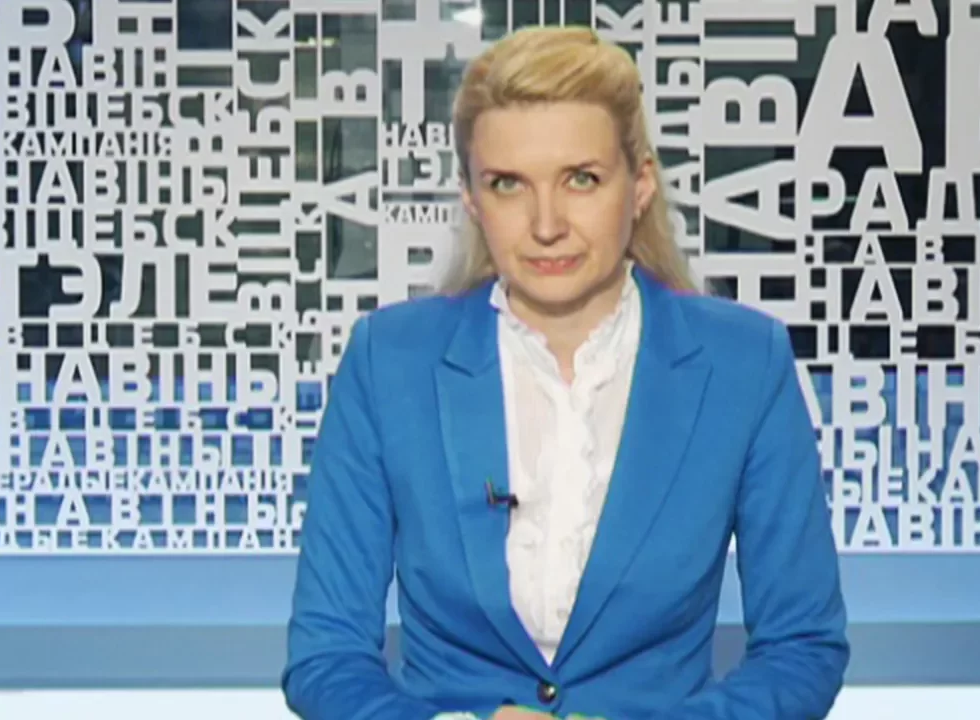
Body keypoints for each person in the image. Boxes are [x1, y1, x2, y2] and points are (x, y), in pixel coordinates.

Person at [282, 25, 848, 720]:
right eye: (508, 185)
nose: (546, 224)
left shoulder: (744, 363)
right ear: (471, 198)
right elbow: (326, 656)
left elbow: (802, 647)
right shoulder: (388, 362)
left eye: (581, 179)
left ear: (639, 186)